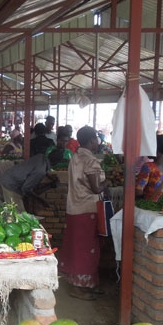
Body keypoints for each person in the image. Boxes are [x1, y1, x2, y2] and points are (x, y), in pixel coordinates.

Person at [57, 126, 106, 301]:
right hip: (87, 208)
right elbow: (95, 187)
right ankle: (79, 287)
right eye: (95, 140)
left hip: (74, 207)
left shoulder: (75, 156)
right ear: (92, 140)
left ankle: (84, 284)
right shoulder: (90, 160)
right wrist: (105, 186)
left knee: (76, 247)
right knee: (87, 249)